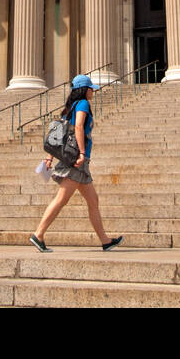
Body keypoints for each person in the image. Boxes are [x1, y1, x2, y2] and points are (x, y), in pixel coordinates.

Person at [29, 75, 123, 253]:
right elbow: (79, 127)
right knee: (61, 199)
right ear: (84, 89)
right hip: (77, 161)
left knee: (93, 200)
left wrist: (49, 158)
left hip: (78, 163)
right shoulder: (82, 104)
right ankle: (38, 234)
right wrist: (81, 152)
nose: (93, 91)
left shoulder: (69, 108)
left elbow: (59, 134)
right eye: (91, 88)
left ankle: (105, 240)